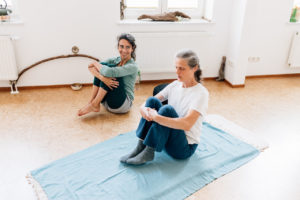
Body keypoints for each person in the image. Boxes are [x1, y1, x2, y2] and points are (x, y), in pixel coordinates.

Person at [120, 49, 209, 165]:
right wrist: (143, 110)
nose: (177, 72)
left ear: (195, 68)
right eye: (176, 67)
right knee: (152, 101)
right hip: (168, 137)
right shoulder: (175, 85)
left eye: (182, 68)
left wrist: (156, 117)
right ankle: (140, 147)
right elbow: (150, 101)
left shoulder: (201, 93)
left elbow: (187, 124)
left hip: (184, 148)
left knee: (167, 110)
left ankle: (149, 151)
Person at [78, 33, 138, 116]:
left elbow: (106, 71)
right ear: (118, 47)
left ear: (132, 48)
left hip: (122, 104)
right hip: (107, 102)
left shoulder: (132, 66)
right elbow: (91, 66)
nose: (124, 50)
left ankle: (94, 104)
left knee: (109, 70)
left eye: (127, 47)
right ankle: (92, 102)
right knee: (104, 68)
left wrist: (96, 63)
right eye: (121, 46)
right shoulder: (114, 60)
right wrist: (103, 79)